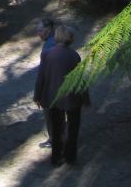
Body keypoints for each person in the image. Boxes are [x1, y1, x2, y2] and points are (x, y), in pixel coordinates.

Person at [34, 25, 88, 167]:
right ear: (70, 39)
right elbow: (80, 79)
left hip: (53, 98)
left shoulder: (46, 54)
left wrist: (37, 95)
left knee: (56, 129)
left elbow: (41, 77)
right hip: (72, 98)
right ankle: (70, 157)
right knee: (73, 129)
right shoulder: (74, 55)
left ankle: (56, 158)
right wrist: (85, 98)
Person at [36, 18, 56, 148]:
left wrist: (38, 93)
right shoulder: (55, 41)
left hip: (51, 87)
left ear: (48, 29)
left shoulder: (49, 46)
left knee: (50, 113)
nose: (38, 33)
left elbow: (44, 72)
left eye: (40, 30)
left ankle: (54, 140)